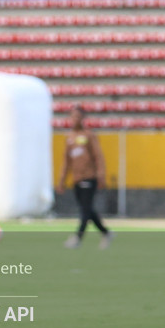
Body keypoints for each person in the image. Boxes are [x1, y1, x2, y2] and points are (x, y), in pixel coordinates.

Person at [56, 105, 113, 249]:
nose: (75, 119)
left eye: (78, 116)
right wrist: (62, 180)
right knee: (87, 209)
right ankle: (106, 233)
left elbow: (98, 156)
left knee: (85, 210)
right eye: (73, 116)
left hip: (89, 177)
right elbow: (66, 161)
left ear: (83, 118)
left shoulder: (89, 135)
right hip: (76, 179)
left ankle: (77, 238)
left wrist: (101, 175)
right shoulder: (69, 138)